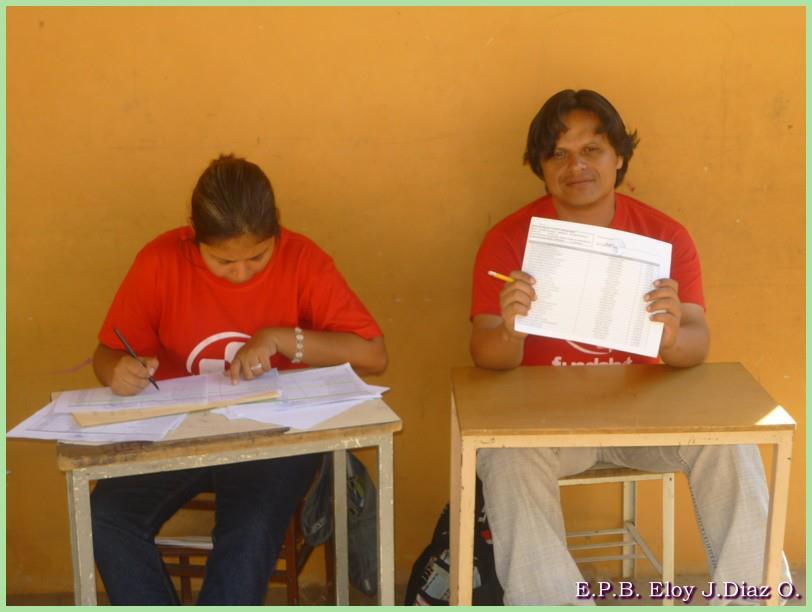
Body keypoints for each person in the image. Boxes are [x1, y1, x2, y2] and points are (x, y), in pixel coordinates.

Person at [469, 89, 790, 605]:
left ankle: (749, 600)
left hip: (646, 418)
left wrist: (670, 336)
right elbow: (484, 355)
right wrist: (511, 330)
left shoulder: (664, 236)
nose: (576, 166)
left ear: (619, 157)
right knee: (503, 459)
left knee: (732, 444)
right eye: (558, 154)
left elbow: (696, 346)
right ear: (540, 167)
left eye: (592, 150)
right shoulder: (510, 239)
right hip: (543, 423)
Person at [90, 154, 387, 605]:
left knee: (247, 533)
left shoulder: (302, 260)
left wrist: (281, 339)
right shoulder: (159, 262)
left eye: (257, 257)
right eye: (223, 261)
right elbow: (106, 353)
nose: (242, 272)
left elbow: (373, 354)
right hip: (175, 433)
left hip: (274, 439)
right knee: (107, 516)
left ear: (277, 232)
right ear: (193, 236)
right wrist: (117, 371)